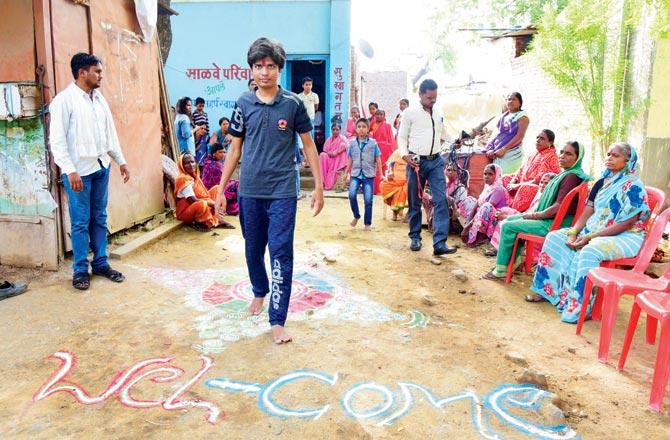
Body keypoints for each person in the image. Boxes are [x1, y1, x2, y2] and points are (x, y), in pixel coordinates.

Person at [215, 37, 324, 345]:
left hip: (282, 191)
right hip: (250, 190)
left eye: (270, 66)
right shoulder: (243, 104)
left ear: (279, 69)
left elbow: (308, 145)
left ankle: (277, 319)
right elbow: (234, 150)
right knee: (252, 249)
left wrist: (319, 186)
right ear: (251, 69)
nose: (264, 72)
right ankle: (259, 291)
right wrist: (222, 188)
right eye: (258, 66)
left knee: (280, 252)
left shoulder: (292, 104)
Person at [530, 143, 650, 322]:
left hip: (626, 235)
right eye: (609, 154)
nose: (609, 158)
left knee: (590, 249)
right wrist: (573, 231)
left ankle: (581, 305)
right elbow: (588, 210)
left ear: (628, 161)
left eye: (615, 155)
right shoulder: (602, 182)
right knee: (555, 237)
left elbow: (627, 222)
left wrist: (590, 237)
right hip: (594, 230)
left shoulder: (634, 186)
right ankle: (548, 291)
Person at [49, 52, 131, 291]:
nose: (100, 76)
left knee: (100, 217)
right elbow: (57, 141)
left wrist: (121, 160)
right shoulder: (63, 101)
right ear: (82, 72)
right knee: (80, 222)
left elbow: (110, 133)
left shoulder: (99, 99)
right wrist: (70, 170)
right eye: (97, 71)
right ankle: (80, 270)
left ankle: (101, 263)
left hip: (101, 166)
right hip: (78, 173)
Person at [482, 141, 591, 283]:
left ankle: (501, 269)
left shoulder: (571, 177)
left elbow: (558, 207)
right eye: (562, 152)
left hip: (554, 223)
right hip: (551, 219)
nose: (562, 156)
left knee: (509, 226)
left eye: (568, 154)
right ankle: (516, 260)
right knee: (508, 220)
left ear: (578, 158)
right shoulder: (568, 174)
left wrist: (534, 215)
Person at [398, 79, 456, 256]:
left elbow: (444, 134)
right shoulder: (410, 113)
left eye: (435, 97)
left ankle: (439, 243)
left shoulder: (438, 113)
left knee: (441, 200)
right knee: (415, 201)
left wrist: (457, 140)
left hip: (436, 162)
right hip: (416, 163)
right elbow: (401, 137)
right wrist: (404, 155)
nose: (433, 101)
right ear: (421, 95)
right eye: (430, 97)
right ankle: (415, 237)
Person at [487, 172, 557, 256]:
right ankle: (498, 246)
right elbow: (528, 213)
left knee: (506, 221)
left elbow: (533, 217)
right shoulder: (540, 195)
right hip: (527, 217)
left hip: (535, 224)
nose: (542, 185)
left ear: (553, 185)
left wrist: (506, 217)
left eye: (546, 183)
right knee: (505, 210)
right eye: (541, 182)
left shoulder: (549, 199)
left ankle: (503, 249)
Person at [503, 129, 560, 212]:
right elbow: (521, 170)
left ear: (550, 143)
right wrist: (514, 180)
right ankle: (503, 205)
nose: (538, 140)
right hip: (523, 183)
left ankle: (512, 212)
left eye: (542, 138)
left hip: (539, 188)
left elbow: (539, 181)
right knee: (505, 178)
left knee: (526, 188)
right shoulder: (535, 153)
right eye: (537, 137)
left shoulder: (551, 157)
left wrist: (518, 185)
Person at [174, 153, 234, 231]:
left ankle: (216, 218)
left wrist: (213, 203)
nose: (191, 165)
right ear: (181, 165)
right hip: (185, 211)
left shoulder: (194, 176)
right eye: (186, 163)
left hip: (196, 204)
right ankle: (203, 222)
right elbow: (192, 200)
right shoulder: (183, 179)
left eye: (192, 162)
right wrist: (213, 204)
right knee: (202, 204)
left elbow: (202, 195)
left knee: (217, 189)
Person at [458, 164, 509, 246]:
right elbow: (477, 205)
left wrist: (467, 227)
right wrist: (468, 221)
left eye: (490, 174)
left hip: (496, 220)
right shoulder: (488, 188)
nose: (486, 176)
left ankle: (481, 236)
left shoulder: (499, 189)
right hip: (482, 217)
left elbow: (486, 209)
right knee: (469, 200)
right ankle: (469, 229)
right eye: (485, 174)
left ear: (497, 175)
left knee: (486, 206)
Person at [345, 118, 382, 231]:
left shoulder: (373, 143)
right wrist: (346, 172)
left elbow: (378, 159)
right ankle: (356, 215)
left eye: (364, 127)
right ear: (356, 129)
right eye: (359, 127)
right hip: (355, 174)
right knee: (351, 195)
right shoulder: (352, 143)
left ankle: (367, 223)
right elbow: (350, 158)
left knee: (368, 199)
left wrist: (381, 174)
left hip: (368, 174)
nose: (361, 129)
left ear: (367, 129)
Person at [484, 92, 529, 174]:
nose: (511, 101)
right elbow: (496, 134)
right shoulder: (504, 116)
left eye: (514, 99)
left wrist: (504, 149)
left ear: (520, 103)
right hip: (497, 153)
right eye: (509, 99)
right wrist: (490, 148)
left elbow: (519, 136)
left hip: (511, 155)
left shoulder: (522, 117)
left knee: (505, 178)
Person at [201, 143, 240, 215]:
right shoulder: (215, 165)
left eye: (224, 152)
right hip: (213, 193)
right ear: (214, 153)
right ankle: (230, 209)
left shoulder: (208, 161)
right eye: (220, 152)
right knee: (237, 185)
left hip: (213, 190)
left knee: (235, 183)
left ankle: (231, 208)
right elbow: (222, 183)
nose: (223, 154)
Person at [369, 109, 397, 194]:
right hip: (373, 149)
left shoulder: (387, 126)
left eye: (381, 114)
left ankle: (383, 189)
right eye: (377, 114)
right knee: (374, 169)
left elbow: (391, 140)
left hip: (385, 151)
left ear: (384, 116)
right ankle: (373, 189)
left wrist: (386, 147)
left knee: (383, 169)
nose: (379, 116)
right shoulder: (372, 125)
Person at [380, 149, 408, 221]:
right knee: (383, 185)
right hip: (395, 181)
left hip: (407, 182)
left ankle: (408, 214)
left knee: (405, 190)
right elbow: (390, 165)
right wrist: (390, 172)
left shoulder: (413, 154)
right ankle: (395, 213)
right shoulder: (397, 153)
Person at [319, 123, 349, 190]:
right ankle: (322, 180)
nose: (335, 131)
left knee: (343, 148)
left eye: (337, 130)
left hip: (338, 159)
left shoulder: (342, 138)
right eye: (333, 129)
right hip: (330, 158)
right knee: (322, 155)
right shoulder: (329, 139)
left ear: (340, 130)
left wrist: (336, 152)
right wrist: (329, 153)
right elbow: (325, 149)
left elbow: (346, 146)